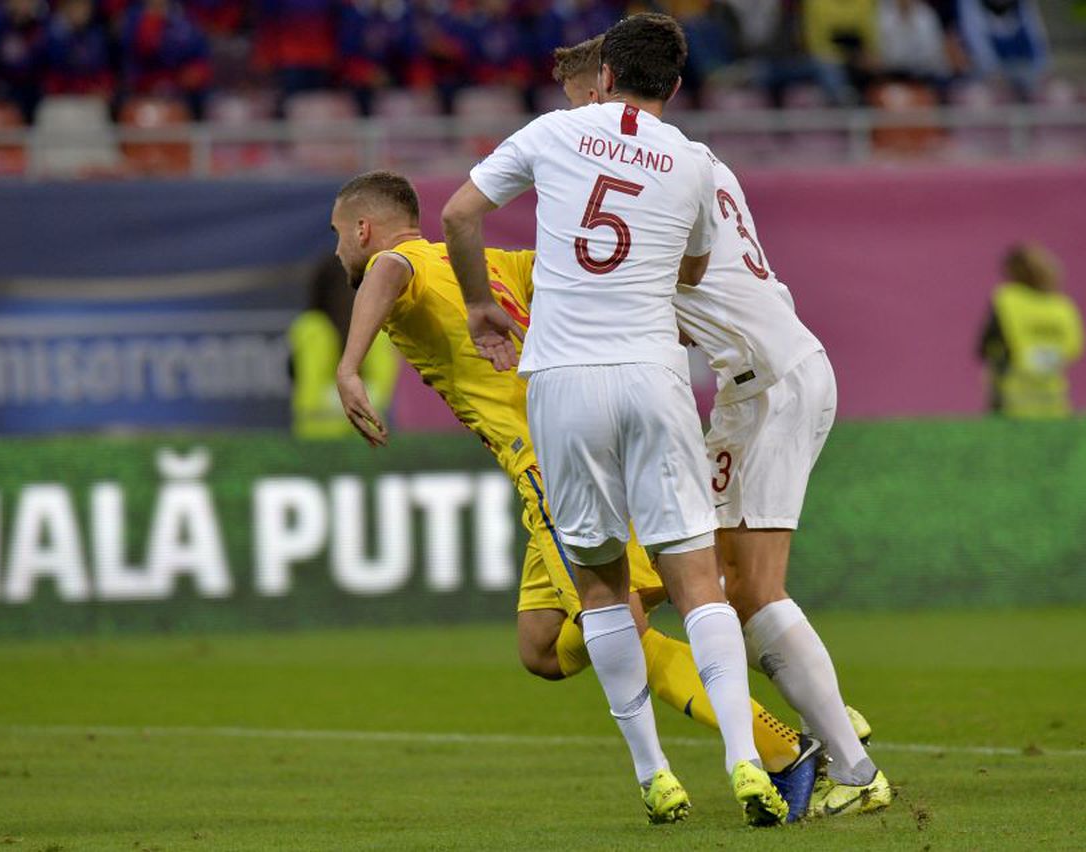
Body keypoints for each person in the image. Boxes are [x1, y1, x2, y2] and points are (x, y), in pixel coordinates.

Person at [329, 170, 816, 816]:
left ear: (363, 228)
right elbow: (577, 279)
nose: (339, 250)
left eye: (339, 235)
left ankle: (782, 750)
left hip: (556, 464)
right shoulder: (492, 263)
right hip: (584, 449)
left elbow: (388, 268)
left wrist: (348, 363)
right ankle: (741, 635)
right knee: (540, 646)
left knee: (618, 624)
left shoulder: (403, 263)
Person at [441, 13, 788, 827]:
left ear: (602, 76)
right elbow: (696, 266)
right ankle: (745, 761)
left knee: (598, 586)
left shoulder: (554, 130)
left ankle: (655, 775)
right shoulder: (695, 163)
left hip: (560, 381)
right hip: (651, 373)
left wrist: (480, 307)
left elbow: (458, 215)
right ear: (672, 85)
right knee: (695, 581)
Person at [552, 33, 893, 818]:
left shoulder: (642, 174)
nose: (577, 127)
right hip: (776, 368)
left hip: (766, 380)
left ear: (605, 89)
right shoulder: (699, 160)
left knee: (749, 588)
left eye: (579, 105)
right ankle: (833, 732)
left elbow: (646, 280)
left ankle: (849, 760)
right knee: (732, 585)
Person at [290, 254, 398, 439]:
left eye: (359, 287)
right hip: (318, 442)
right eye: (347, 287)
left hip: (367, 443)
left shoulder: (379, 329)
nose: (351, 295)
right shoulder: (312, 330)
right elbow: (310, 400)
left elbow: (384, 392)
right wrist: (355, 400)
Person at [977, 243, 1084, 417]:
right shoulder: (1062, 306)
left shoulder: (1007, 298)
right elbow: (1074, 346)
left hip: (1012, 391)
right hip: (1052, 395)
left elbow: (986, 342)